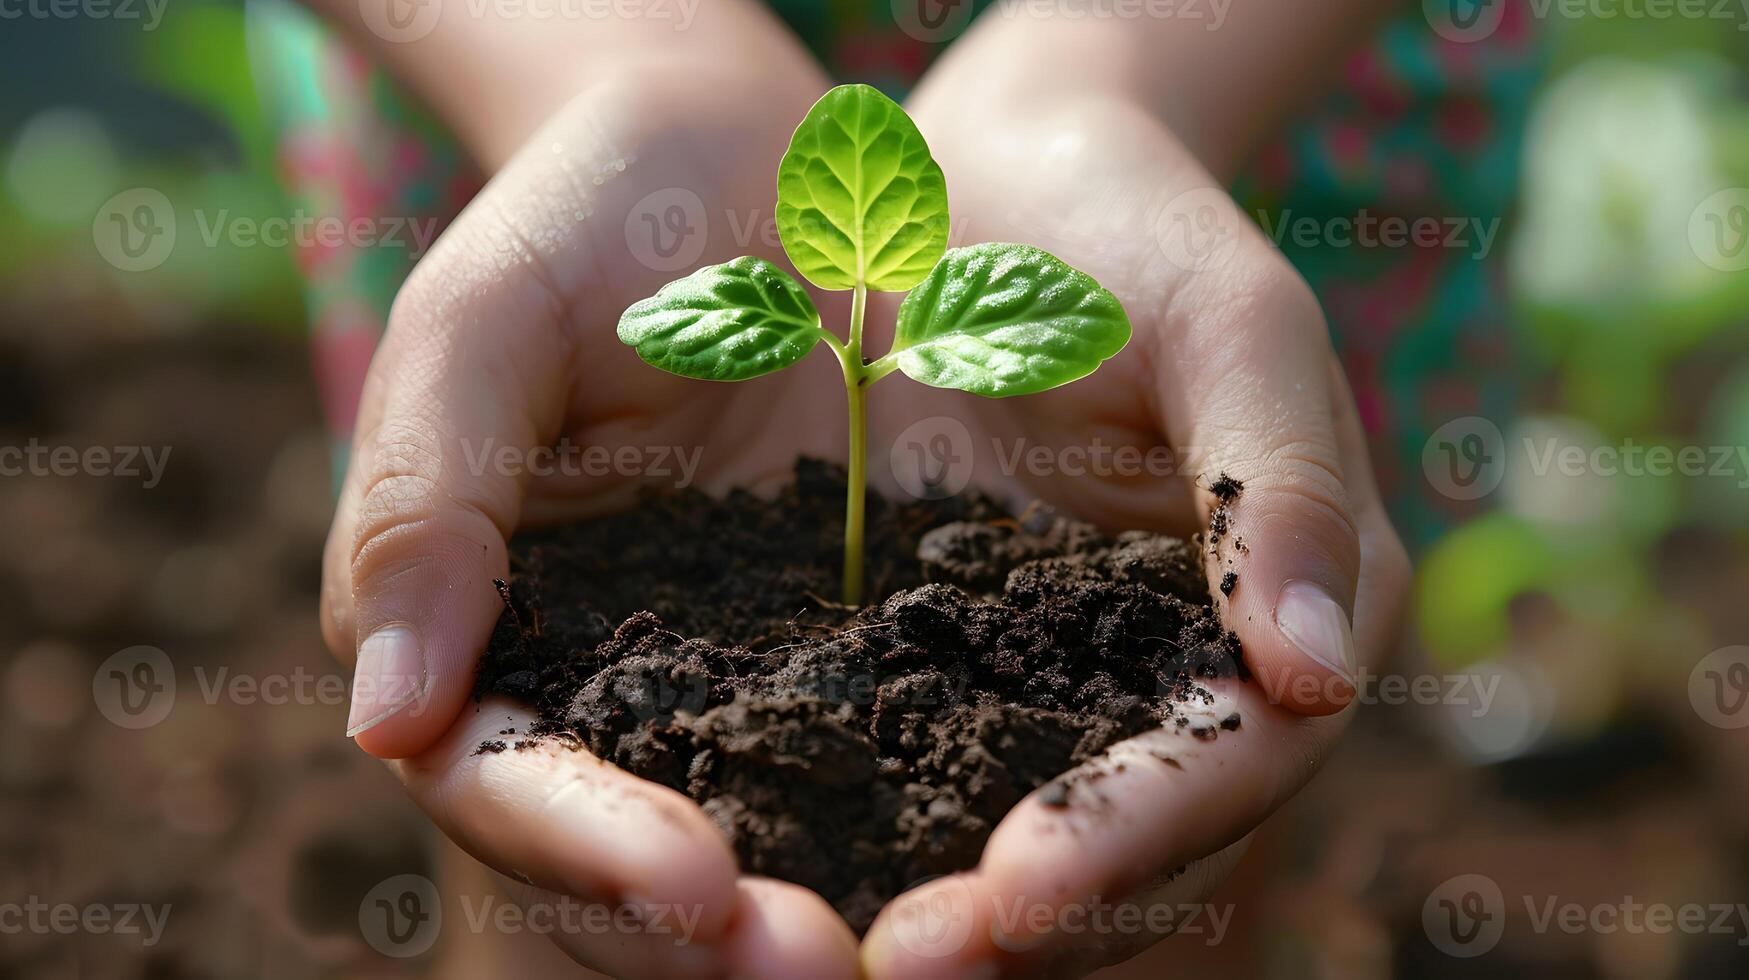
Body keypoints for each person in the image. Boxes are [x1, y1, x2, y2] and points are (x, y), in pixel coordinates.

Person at [256, 0, 1536, 974]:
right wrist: (624, 66)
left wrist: (1110, 79)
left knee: (1171, 879)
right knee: (533, 623)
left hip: (1275, 66)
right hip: (507, 57)